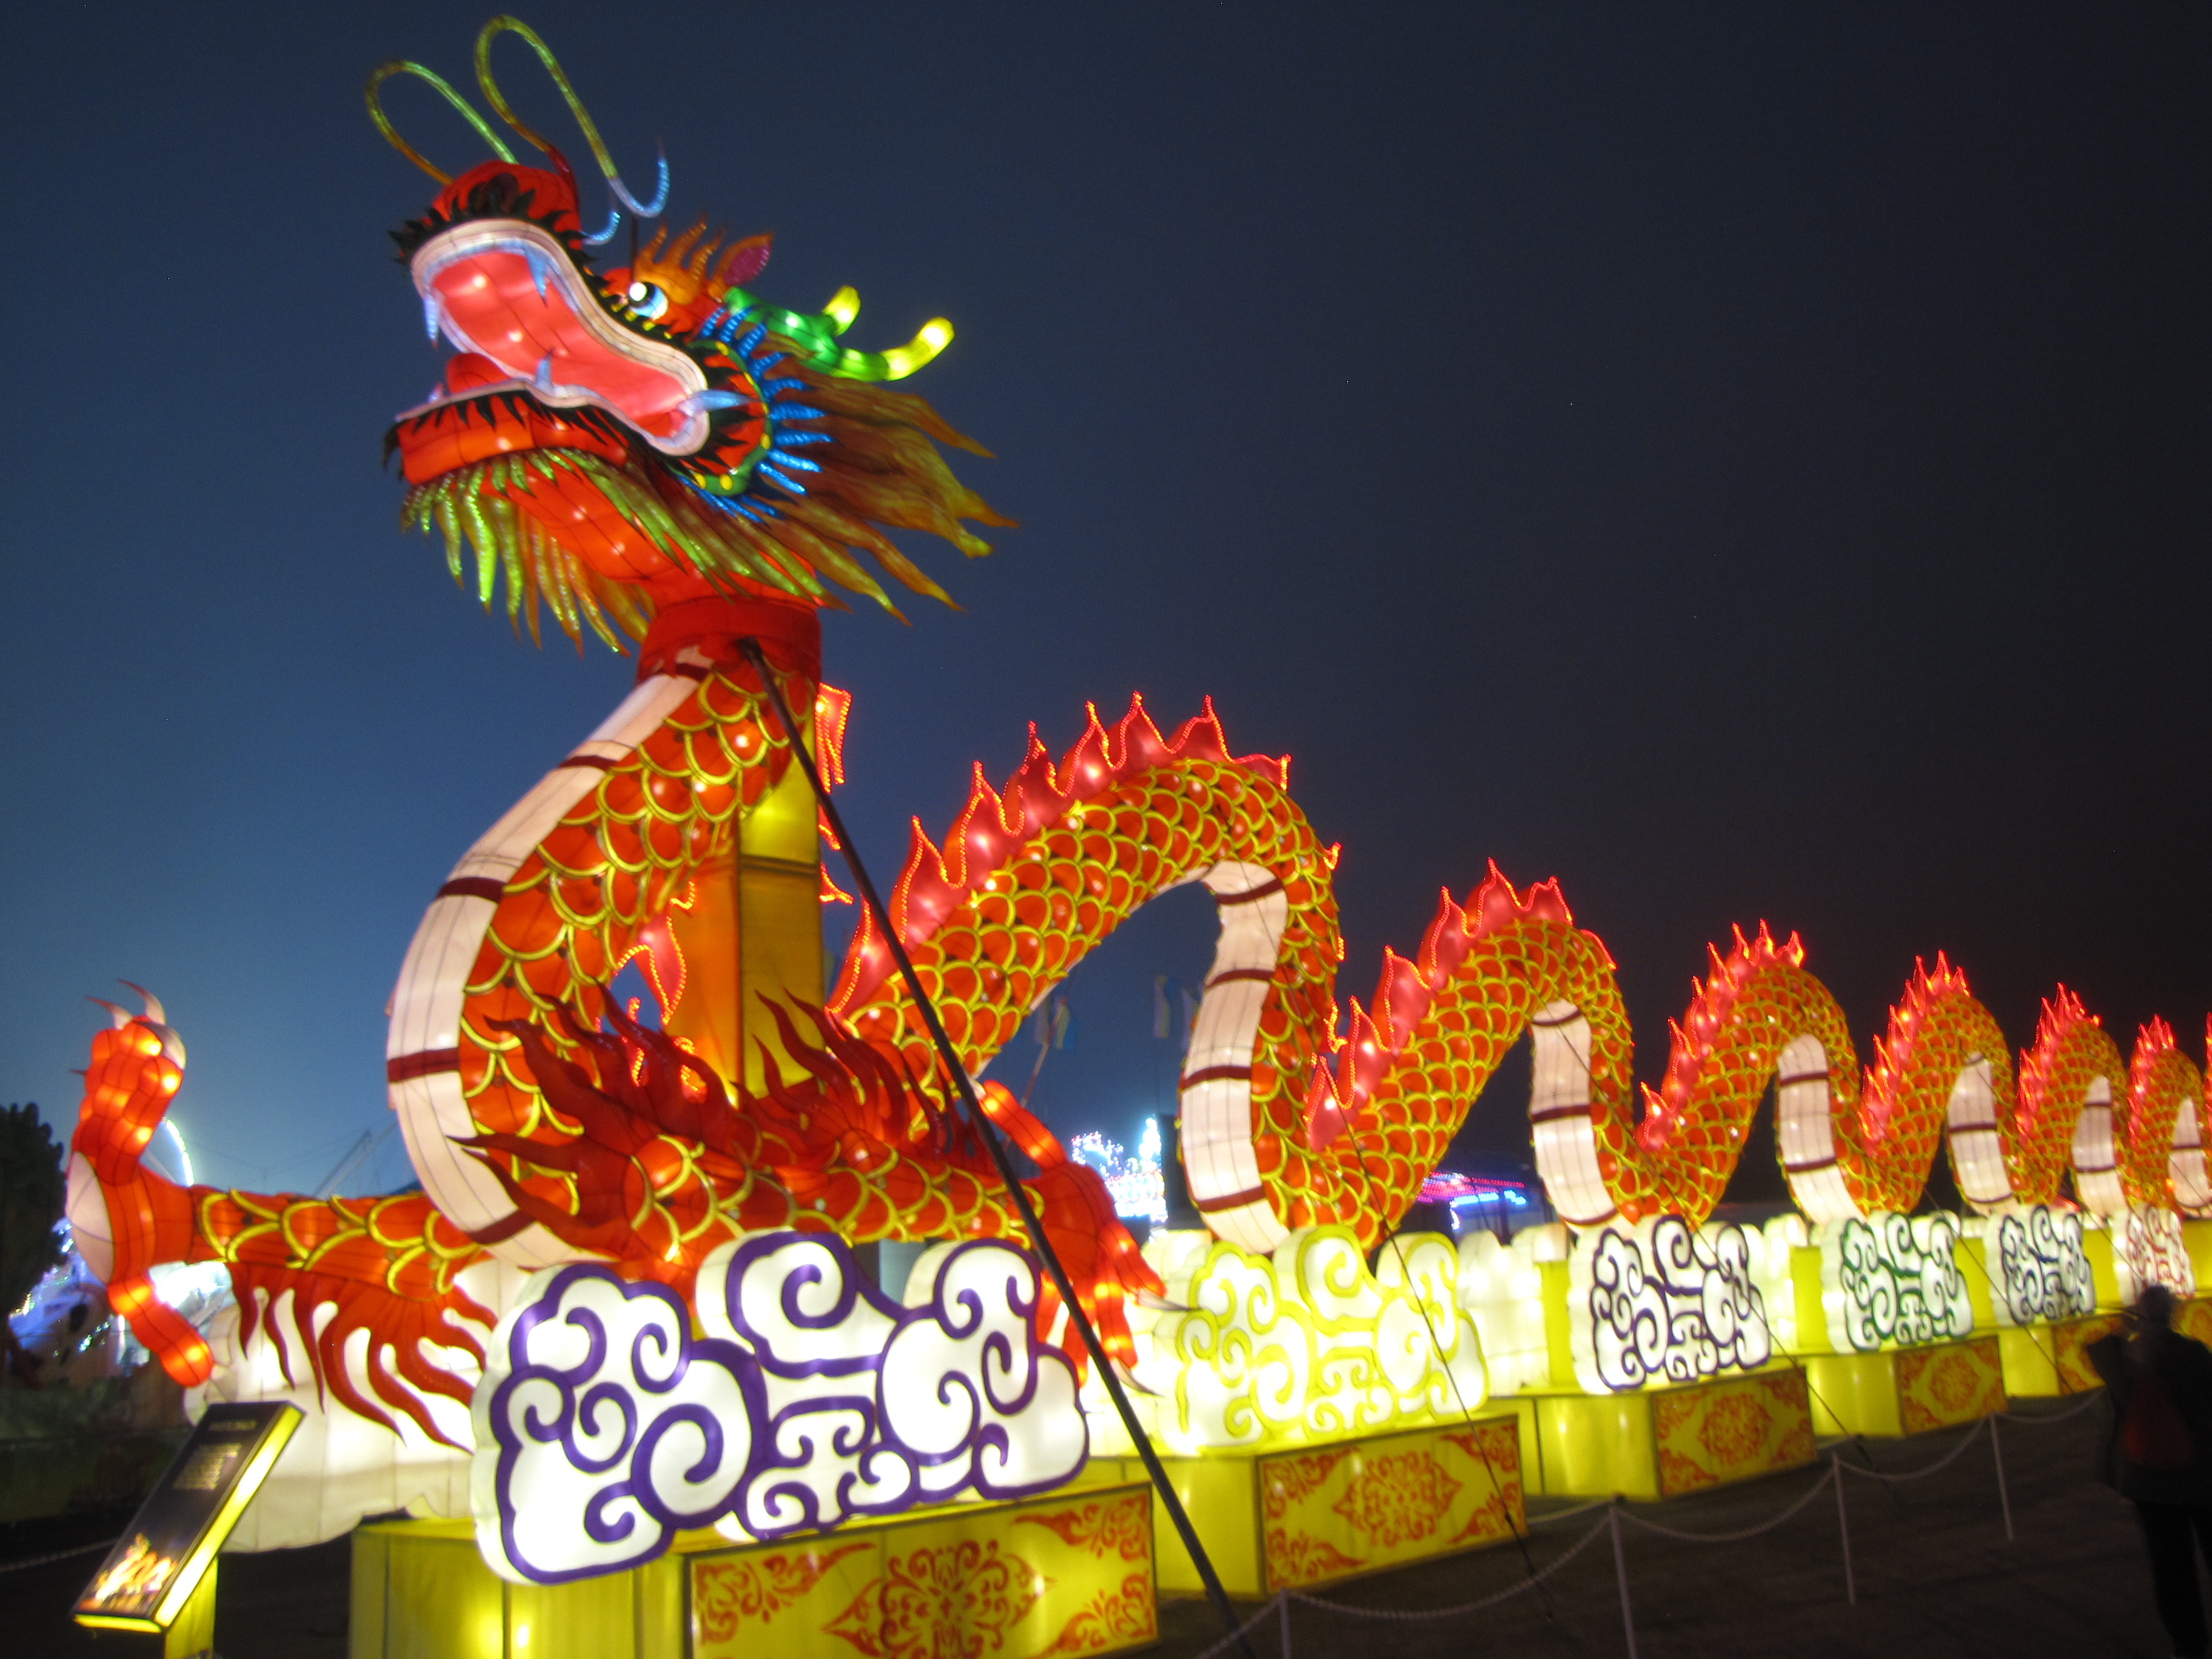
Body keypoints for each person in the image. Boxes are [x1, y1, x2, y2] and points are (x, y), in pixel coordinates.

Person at [2090, 1282, 2212, 1657]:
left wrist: (2127, 1326)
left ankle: (2188, 1644)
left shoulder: (2127, 1359)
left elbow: (2098, 1351)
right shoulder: (2193, 1354)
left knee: (2171, 1568)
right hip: (2199, 1477)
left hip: (2150, 1483)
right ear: (2172, 1315)